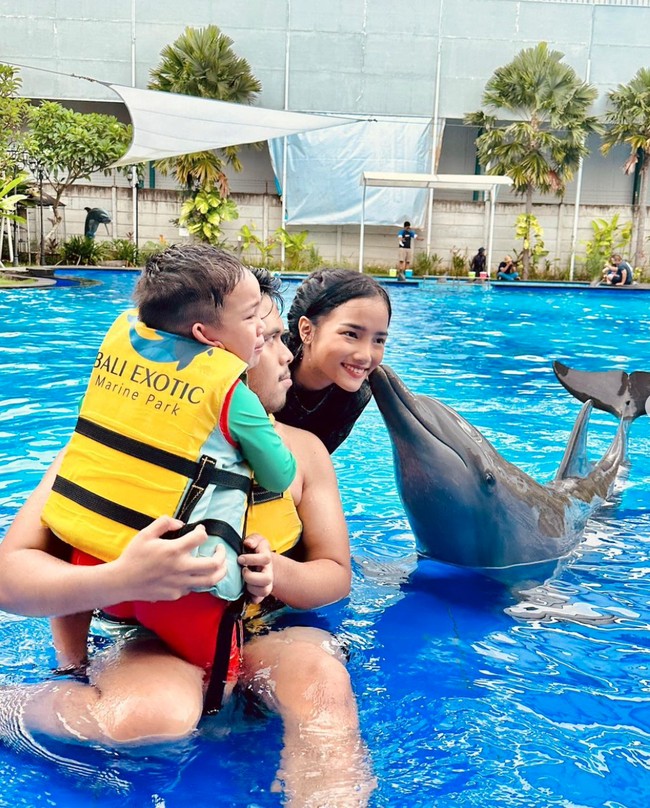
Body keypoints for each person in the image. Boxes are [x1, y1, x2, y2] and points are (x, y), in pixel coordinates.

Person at [0, 269, 372, 806]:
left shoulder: (305, 453)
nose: (288, 355)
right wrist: (121, 578)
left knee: (320, 685)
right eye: (267, 339)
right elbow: (10, 580)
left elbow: (336, 576)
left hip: (270, 632)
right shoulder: (112, 452)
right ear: (212, 352)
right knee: (151, 719)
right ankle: (13, 703)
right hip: (155, 640)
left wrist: (279, 574)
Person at [42, 244, 296, 712]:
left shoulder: (122, 368)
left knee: (83, 667)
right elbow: (280, 474)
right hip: (183, 586)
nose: (260, 330)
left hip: (94, 564)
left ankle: (70, 669)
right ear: (207, 335)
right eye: (249, 319)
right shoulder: (230, 394)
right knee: (217, 693)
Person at [276, 268, 392, 453]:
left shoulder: (355, 395)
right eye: (351, 334)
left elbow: (312, 459)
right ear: (307, 330)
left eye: (379, 340)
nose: (366, 355)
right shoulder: (266, 359)